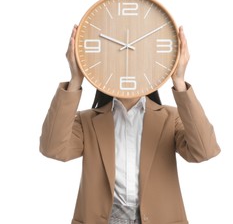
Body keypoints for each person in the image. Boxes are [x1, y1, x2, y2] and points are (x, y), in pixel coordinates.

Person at [40, 24, 221, 224]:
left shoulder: (171, 118)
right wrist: (75, 79)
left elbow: (204, 151)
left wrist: (179, 81)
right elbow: (52, 148)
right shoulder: (87, 121)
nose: (127, 67)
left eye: (135, 61)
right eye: (118, 61)